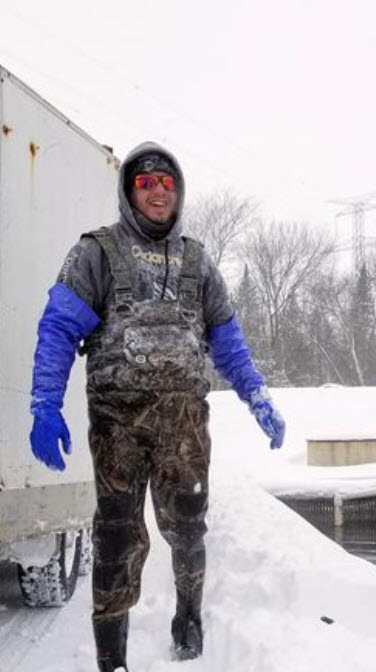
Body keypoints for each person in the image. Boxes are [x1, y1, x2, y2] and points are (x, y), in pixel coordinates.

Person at [28, 142, 285, 672]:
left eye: (166, 183)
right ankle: (112, 659)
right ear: (129, 191)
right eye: (146, 183)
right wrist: (44, 404)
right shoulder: (95, 253)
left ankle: (188, 622)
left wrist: (256, 394)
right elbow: (58, 327)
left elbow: (228, 340)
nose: (157, 191)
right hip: (118, 427)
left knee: (189, 528)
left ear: (179, 191)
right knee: (117, 535)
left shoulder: (198, 261)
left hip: (185, 427)